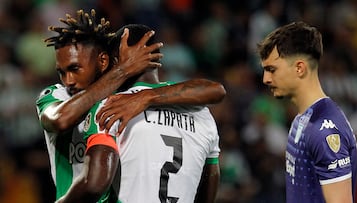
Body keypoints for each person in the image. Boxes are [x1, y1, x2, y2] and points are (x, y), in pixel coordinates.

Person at [35, 10, 226, 202]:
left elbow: (216, 90)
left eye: (75, 69)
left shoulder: (116, 105)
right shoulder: (57, 95)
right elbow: (60, 119)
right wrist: (124, 70)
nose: (69, 81)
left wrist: (146, 97)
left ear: (104, 61)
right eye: (62, 72)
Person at [257, 21, 357, 203]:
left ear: (299, 68)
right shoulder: (301, 120)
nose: (266, 79)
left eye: (272, 70)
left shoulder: (324, 129)